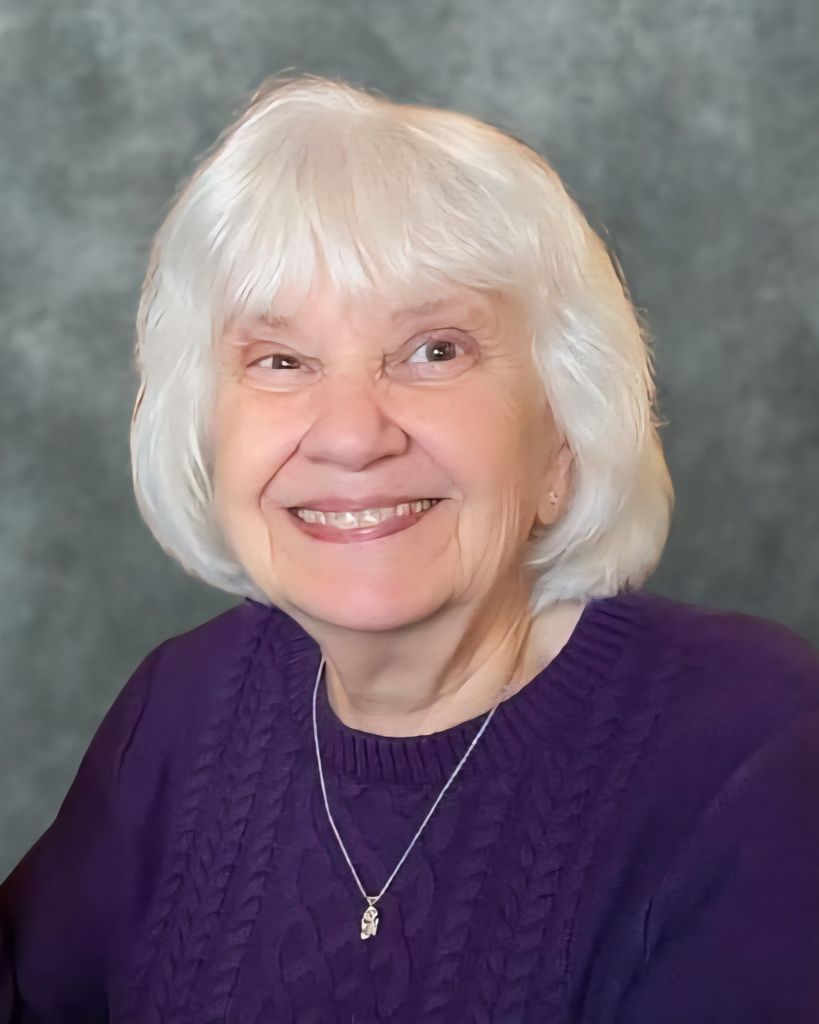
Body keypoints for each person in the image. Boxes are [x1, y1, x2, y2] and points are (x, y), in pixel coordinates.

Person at [1, 73, 817, 1024]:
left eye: (434, 351)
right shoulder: (181, 708)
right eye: (280, 361)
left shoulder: (753, 745)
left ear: (562, 436)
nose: (351, 436)